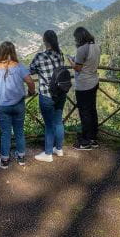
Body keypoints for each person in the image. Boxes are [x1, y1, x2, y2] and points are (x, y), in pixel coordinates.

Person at [0, 41, 35, 168]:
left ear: (0, 52)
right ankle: (21, 157)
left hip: (2, 106)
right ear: (13, 52)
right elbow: (30, 81)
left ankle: (5, 160)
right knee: (19, 131)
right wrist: (31, 92)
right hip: (18, 104)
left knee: (5, 133)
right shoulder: (20, 67)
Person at [30, 30, 66, 162]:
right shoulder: (60, 54)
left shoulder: (40, 56)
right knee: (58, 122)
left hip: (47, 95)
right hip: (61, 93)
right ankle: (59, 149)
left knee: (49, 125)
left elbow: (31, 70)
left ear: (44, 41)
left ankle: (48, 154)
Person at [71, 27, 101, 150]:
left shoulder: (82, 49)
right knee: (92, 111)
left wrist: (71, 61)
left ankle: (85, 141)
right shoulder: (97, 46)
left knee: (84, 112)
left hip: (84, 84)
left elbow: (78, 68)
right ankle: (93, 139)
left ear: (79, 37)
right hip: (94, 81)